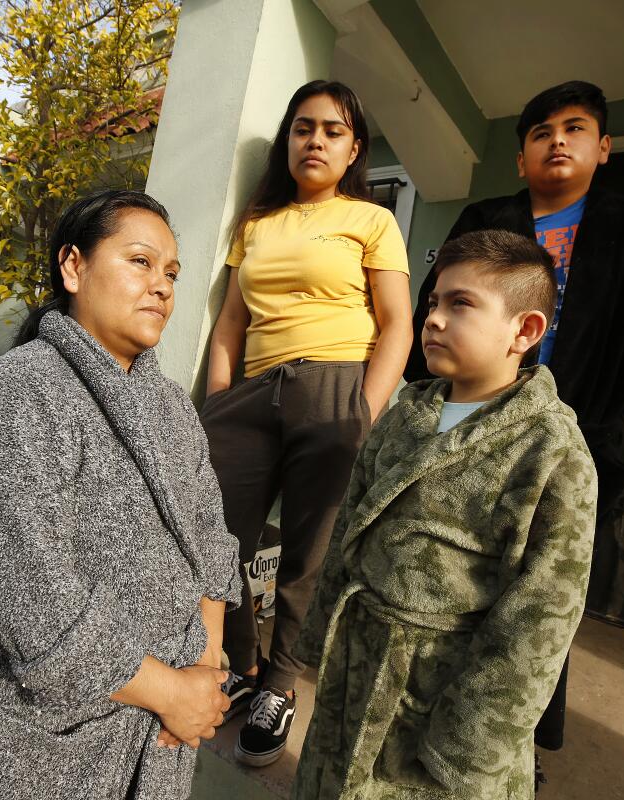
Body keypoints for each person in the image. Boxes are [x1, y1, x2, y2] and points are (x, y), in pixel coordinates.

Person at [0, 190, 239, 800]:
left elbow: (209, 537)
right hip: (40, 737)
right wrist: (170, 692)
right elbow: (33, 597)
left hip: (162, 732)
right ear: (73, 267)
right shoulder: (16, 394)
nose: (163, 287)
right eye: (141, 262)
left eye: (172, 273)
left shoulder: (171, 406)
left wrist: (205, 665)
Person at [404, 80, 624, 760]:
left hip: (580, 433)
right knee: (450, 568)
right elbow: (434, 306)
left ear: (604, 147)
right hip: (474, 425)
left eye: (575, 127)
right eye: (540, 132)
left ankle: (513, 745)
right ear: (520, 157)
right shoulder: (486, 216)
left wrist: (609, 407)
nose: (557, 140)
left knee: (539, 593)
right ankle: (424, 713)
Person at [293, 230, 597, 799]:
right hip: (356, 672)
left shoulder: (550, 450)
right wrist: (321, 635)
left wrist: (472, 744)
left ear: (524, 331)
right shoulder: (407, 409)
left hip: (438, 693)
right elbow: (351, 526)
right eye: (433, 302)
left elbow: (541, 617)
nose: (432, 319)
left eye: (461, 305)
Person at [201, 79, 413, 766]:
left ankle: (281, 686)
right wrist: (218, 402)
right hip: (250, 395)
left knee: (307, 555)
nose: (314, 140)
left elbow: (398, 325)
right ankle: (240, 663)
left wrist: (363, 411)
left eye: (330, 129)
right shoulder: (257, 225)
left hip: (333, 386)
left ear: (353, 148)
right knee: (214, 537)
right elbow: (231, 320)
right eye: (302, 127)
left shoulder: (371, 221)